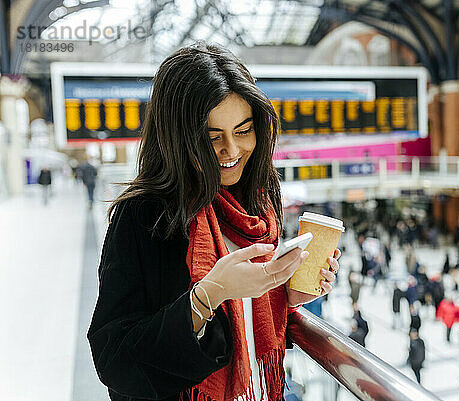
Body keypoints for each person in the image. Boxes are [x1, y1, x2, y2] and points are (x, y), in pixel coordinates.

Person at [87, 43, 341, 401]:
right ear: (177, 137)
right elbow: (112, 357)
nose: (232, 151)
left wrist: (284, 293)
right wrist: (208, 295)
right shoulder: (144, 215)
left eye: (243, 130)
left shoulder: (260, 197)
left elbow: (252, 322)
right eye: (212, 137)